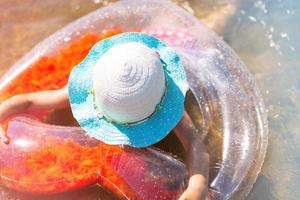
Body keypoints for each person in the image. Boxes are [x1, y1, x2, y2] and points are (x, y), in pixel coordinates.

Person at [0, 33, 210, 200]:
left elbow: (195, 144)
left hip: (149, 69)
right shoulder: (87, 90)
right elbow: (29, 101)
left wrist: (196, 188)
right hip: (124, 70)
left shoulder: (166, 103)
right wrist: (3, 112)